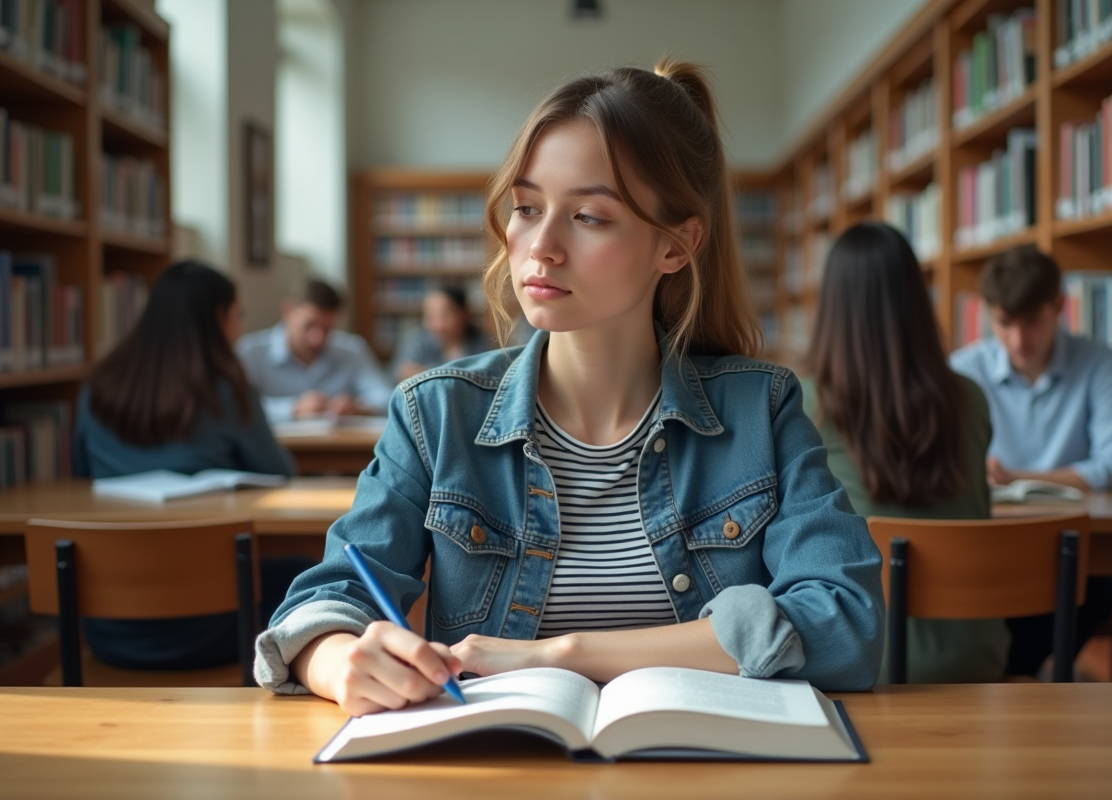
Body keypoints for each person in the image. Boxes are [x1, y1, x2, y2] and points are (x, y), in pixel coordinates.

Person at [254, 59, 884, 715]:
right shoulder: (434, 412)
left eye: (588, 216)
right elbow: (322, 604)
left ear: (676, 245)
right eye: (526, 208)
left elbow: (847, 624)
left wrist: (563, 654)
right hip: (497, 769)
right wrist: (335, 659)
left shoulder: (763, 408)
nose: (540, 247)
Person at [73, 260, 306, 669]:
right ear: (218, 317)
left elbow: (77, 483)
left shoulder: (97, 388)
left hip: (108, 634)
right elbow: (281, 475)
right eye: (238, 316)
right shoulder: (226, 392)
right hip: (214, 629)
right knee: (307, 572)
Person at [801, 221, 1002, 683]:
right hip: (974, 656)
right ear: (917, 301)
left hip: (861, 658)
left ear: (832, 307)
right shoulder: (969, 397)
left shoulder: (807, 405)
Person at [950, 244, 1112, 678]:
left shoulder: (1102, 365)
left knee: (1110, 573)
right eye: (1004, 323)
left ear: (1060, 306)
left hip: (1074, 547)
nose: (1019, 341)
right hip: (992, 549)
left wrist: (1017, 476)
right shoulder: (961, 371)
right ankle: (1024, 675)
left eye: (1033, 322)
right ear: (987, 314)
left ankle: (1014, 672)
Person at [236, 278, 393, 423]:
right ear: (287, 311)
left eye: (327, 329)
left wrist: (360, 407)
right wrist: (293, 408)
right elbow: (237, 406)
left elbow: (387, 397)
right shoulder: (250, 351)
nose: (317, 338)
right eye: (309, 325)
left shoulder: (352, 349)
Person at [391, 285, 492, 381]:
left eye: (446, 314)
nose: (438, 323)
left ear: (464, 313)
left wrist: (424, 371)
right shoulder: (416, 339)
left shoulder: (483, 341)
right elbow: (402, 373)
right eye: (430, 315)